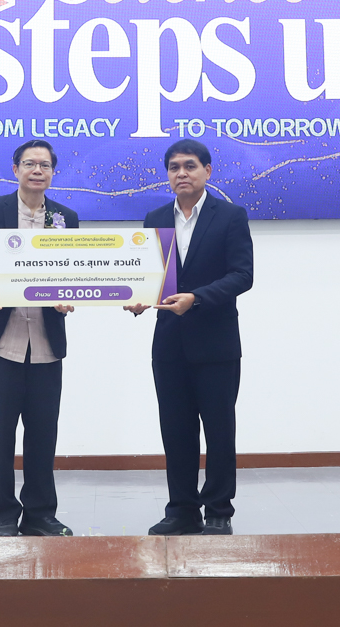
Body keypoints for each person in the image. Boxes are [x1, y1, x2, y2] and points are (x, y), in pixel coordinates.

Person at [126, 139, 253, 535]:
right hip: (169, 344)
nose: (181, 173)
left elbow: (242, 275)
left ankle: (218, 510)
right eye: (174, 167)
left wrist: (196, 298)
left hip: (216, 344)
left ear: (207, 171)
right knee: (176, 431)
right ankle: (181, 509)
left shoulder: (230, 216)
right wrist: (138, 299)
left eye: (190, 166)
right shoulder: (155, 219)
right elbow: (149, 276)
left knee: (219, 431)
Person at [0, 140, 79, 537]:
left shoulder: (65, 218)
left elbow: (72, 270)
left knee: (43, 434)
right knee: (1, 435)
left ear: (53, 173)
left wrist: (69, 294)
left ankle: (41, 514)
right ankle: (3, 515)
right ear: (15, 170)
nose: (37, 171)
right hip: (3, 342)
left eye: (45, 165)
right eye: (30, 163)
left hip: (46, 343)